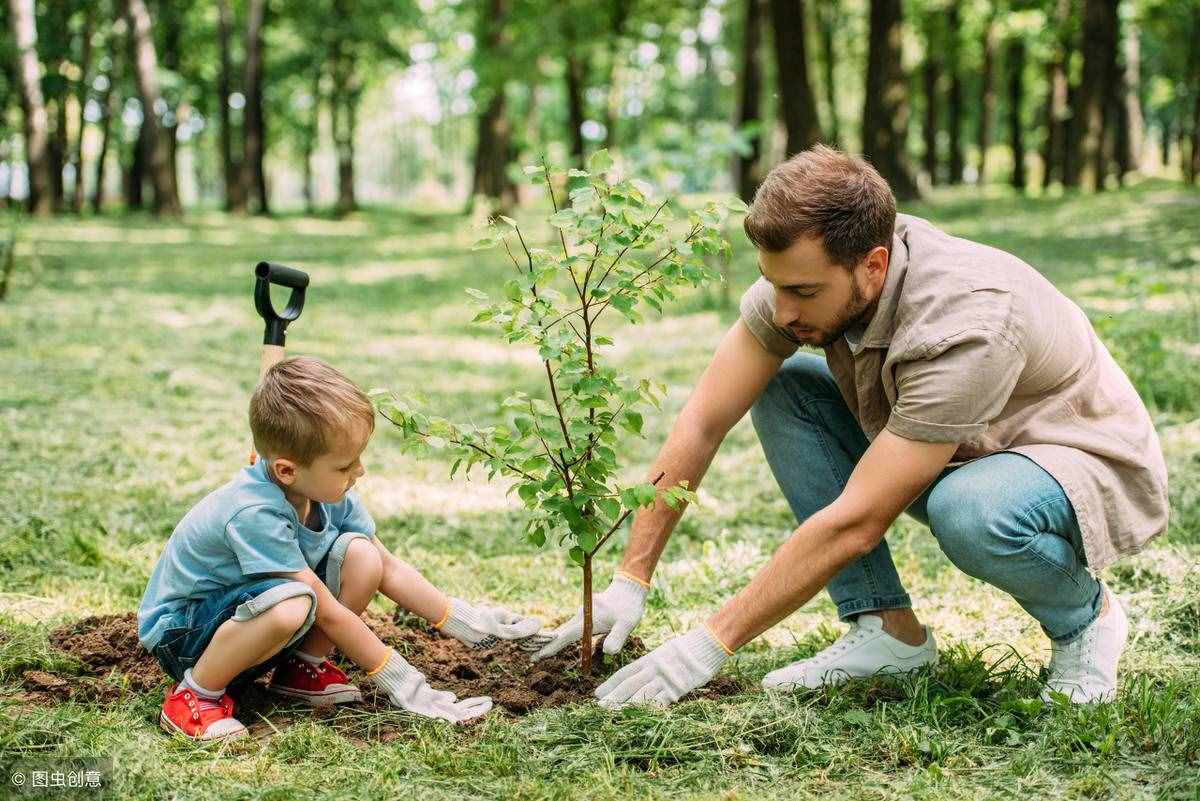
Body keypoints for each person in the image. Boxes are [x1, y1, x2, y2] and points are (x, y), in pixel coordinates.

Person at [535, 145, 1168, 709]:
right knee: (785, 389)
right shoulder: (800, 284)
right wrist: (629, 578)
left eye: (804, 293)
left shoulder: (966, 324)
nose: (783, 312)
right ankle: (887, 633)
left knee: (969, 510)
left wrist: (709, 643)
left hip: (1071, 459)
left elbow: (860, 520)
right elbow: (703, 420)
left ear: (873, 264)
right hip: (958, 443)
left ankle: (1086, 620)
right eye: (773, 285)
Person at [138, 356, 540, 739]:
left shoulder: (324, 491)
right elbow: (326, 612)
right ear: (286, 470)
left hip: (246, 620)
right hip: (185, 636)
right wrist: (404, 682)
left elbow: (388, 567)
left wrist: (466, 623)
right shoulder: (254, 512)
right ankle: (196, 695)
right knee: (294, 602)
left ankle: (299, 669)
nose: (359, 471)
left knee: (363, 557)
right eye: (345, 465)